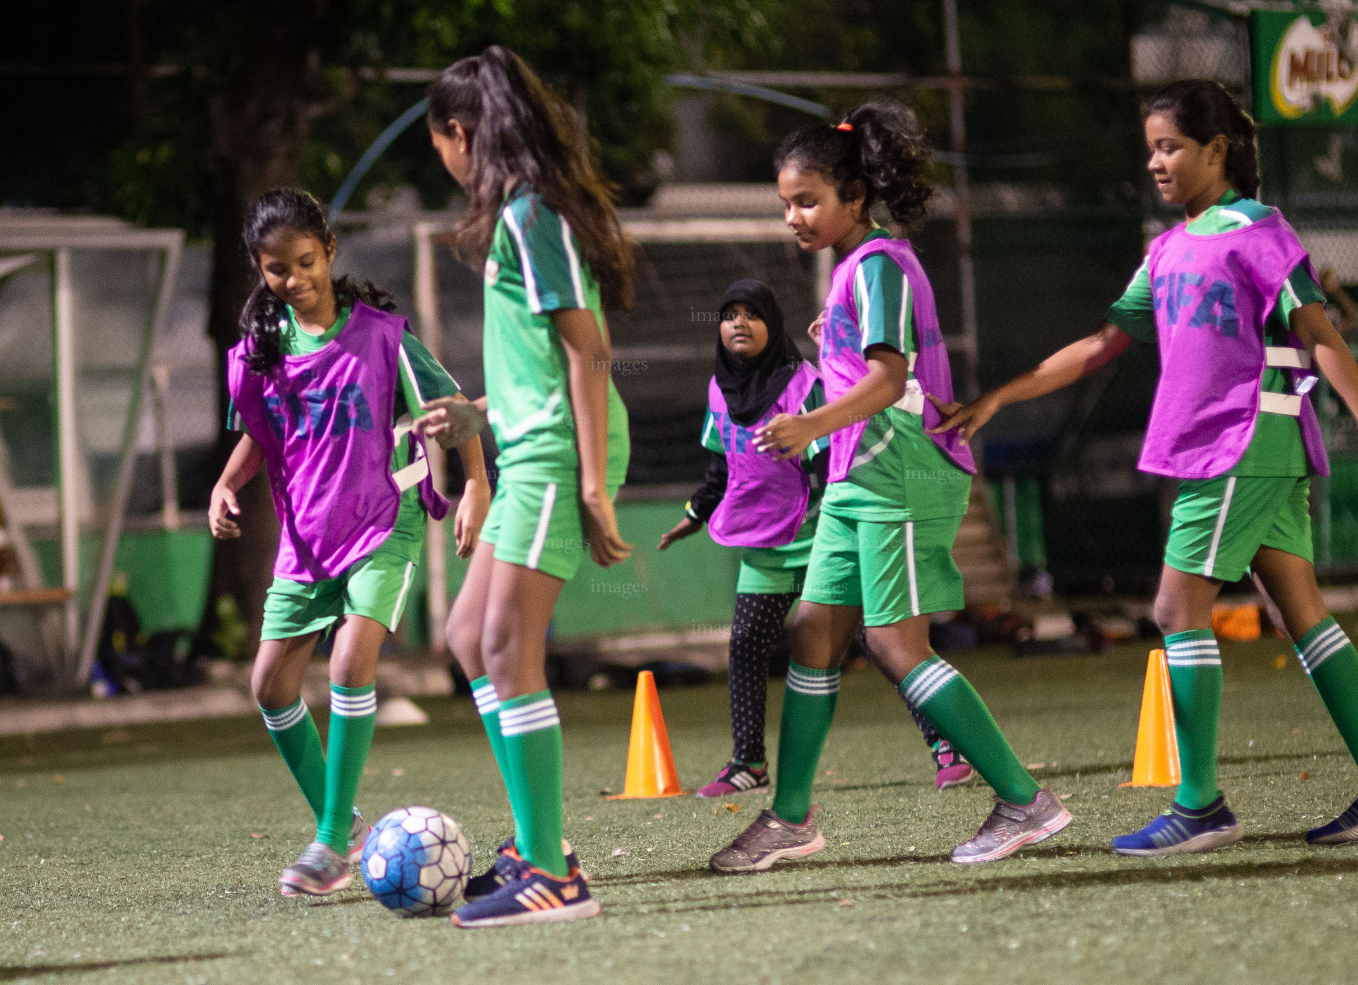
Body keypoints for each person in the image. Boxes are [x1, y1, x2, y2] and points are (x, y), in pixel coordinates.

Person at [931, 79, 1358, 856]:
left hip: (1238, 445)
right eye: (1152, 149)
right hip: (1244, 451)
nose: (1157, 163)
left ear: (1217, 151)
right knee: (1299, 609)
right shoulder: (1165, 251)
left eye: (1171, 147)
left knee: (1173, 609)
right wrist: (1001, 397)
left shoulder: (1256, 230)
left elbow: (1321, 333)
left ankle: (1201, 807)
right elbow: (1103, 343)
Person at [707, 102, 1070, 875]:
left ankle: (1024, 801)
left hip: (895, 473)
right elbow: (878, 364)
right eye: (786, 204)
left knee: (894, 643)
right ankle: (792, 819)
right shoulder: (857, 271)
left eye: (807, 201)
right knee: (813, 632)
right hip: (856, 476)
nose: (794, 217)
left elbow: (889, 378)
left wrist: (808, 425)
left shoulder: (878, 264)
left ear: (854, 197)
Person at [210, 187, 489, 896]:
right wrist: (226, 483)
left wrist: (475, 486)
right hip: (307, 532)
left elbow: (451, 411)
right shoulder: (260, 353)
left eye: (306, 262)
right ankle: (349, 825)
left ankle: (332, 840)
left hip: (380, 518)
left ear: (329, 252)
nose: (295, 279)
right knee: (269, 684)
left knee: (350, 660)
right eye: (278, 269)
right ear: (259, 269)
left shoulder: (382, 336)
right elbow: (261, 433)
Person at [422, 46, 632, 927]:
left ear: (460, 135)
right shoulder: (520, 218)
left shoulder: (528, 218)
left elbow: (588, 350)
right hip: (534, 451)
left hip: (557, 461)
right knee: (468, 637)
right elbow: (539, 367)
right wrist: (472, 415)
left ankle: (553, 874)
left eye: (438, 143)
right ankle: (535, 842)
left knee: (510, 648)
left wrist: (592, 483)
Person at [660, 278, 974, 797]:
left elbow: (838, 458)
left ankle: (944, 745)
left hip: (823, 535)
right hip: (764, 543)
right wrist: (694, 513)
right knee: (746, 643)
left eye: (752, 314)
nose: (738, 323)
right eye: (729, 314)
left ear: (773, 324)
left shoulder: (806, 385)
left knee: (881, 643)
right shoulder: (719, 389)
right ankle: (748, 763)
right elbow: (723, 468)